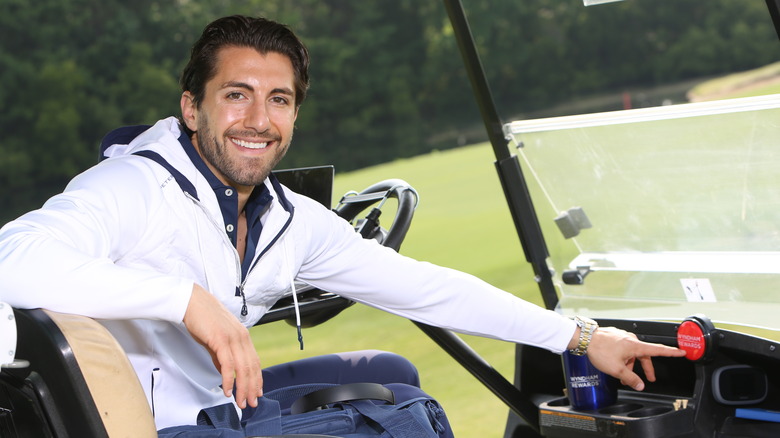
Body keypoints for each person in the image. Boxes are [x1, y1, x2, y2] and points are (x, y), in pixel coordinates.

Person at [0, 15, 685, 436]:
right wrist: (186, 302)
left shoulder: (285, 218)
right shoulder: (133, 186)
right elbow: (12, 260)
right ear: (191, 107)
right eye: (234, 96)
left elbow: (420, 287)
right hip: (163, 428)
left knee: (389, 370)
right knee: (410, 421)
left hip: (216, 410)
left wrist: (582, 335)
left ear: (295, 114)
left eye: (278, 100)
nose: (257, 120)